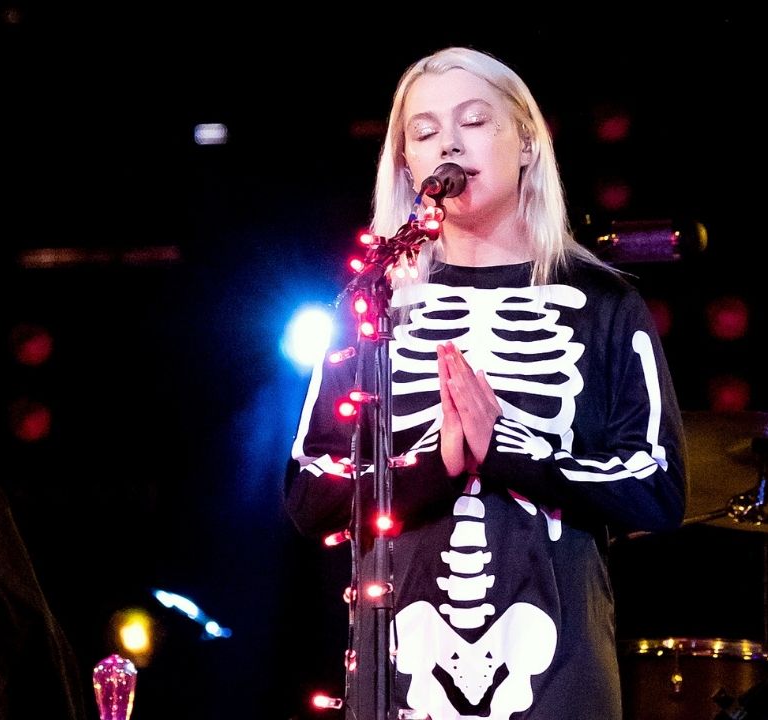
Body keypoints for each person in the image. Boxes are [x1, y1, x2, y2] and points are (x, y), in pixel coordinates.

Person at [285, 46, 687, 720]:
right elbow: (308, 496)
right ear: (407, 163)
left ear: (527, 143)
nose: (448, 141)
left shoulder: (604, 302)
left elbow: (657, 489)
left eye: (474, 120)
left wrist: (504, 449)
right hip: (397, 670)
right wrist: (438, 464)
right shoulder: (372, 302)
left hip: (561, 669)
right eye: (424, 131)